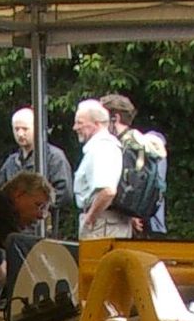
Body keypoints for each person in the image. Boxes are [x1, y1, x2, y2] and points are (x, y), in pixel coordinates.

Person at [102, 93, 168, 238]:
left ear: (115, 118)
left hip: (129, 222)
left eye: (102, 119)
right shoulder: (144, 144)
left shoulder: (126, 146)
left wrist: (131, 214)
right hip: (152, 221)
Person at [72, 99, 128, 242]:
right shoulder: (101, 147)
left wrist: (90, 218)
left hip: (102, 224)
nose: (75, 127)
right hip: (105, 221)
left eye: (80, 123)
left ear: (96, 124)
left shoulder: (102, 148)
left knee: (97, 258)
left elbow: (108, 191)